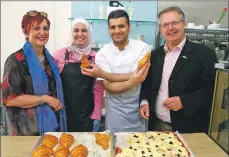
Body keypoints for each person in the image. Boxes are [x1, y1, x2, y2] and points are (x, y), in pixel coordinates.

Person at [139, 6, 218, 133]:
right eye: (165, 25)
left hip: (190, 128)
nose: (170, 28)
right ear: (160, 29)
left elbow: (212, 90)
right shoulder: (155, 55)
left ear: (184, 24)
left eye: (175, 23)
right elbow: (147, 84)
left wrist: (184, 102)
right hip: (158, 126)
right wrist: (144, 102)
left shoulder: (204, 54)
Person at [82, 9, 152, 133]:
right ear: (109, 29)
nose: (117, 31)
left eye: (121, 26)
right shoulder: (102, 54)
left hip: (138, 110)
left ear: (129, 27)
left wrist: (103, 74)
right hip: (115, 114)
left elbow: (140, 76)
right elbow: (109, 86)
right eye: (113, 27)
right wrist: (132, 81)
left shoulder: (143, 48)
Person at [1, 10, 67, 136]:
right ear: (26, 31)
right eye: (36, 28)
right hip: (26, 133)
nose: (42, 32)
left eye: (46, 28)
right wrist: (45, 99)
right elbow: (9, 99)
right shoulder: (15, 61)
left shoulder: (50, 60)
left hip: (52, 130)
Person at [53, 18, 105, 132]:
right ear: (71, 33)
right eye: (76, 30)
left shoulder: (96, 58)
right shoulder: (59, 55)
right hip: (63, 113)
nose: (80, 34)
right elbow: (52, 86)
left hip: (87, 115)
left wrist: (97, 115)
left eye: (84, 30)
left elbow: (98, 90)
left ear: (89, 33)